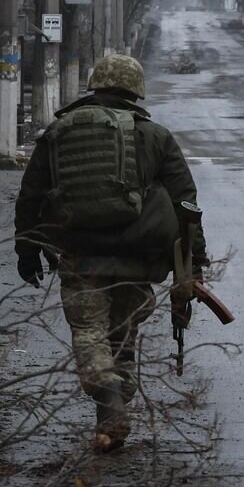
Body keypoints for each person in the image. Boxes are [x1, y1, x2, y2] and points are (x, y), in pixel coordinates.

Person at [15, 53, 207, 452]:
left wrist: (27, 250)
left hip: (78, 254)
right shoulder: (155, 136)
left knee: (89, 333)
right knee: (123, 336)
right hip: (138, 260)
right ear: (136, 90)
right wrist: (191, 265)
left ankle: (109, 405)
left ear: (94, 83)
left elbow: (31, 195)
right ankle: (114, 410)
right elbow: (185, 203)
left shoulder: (60, 131)